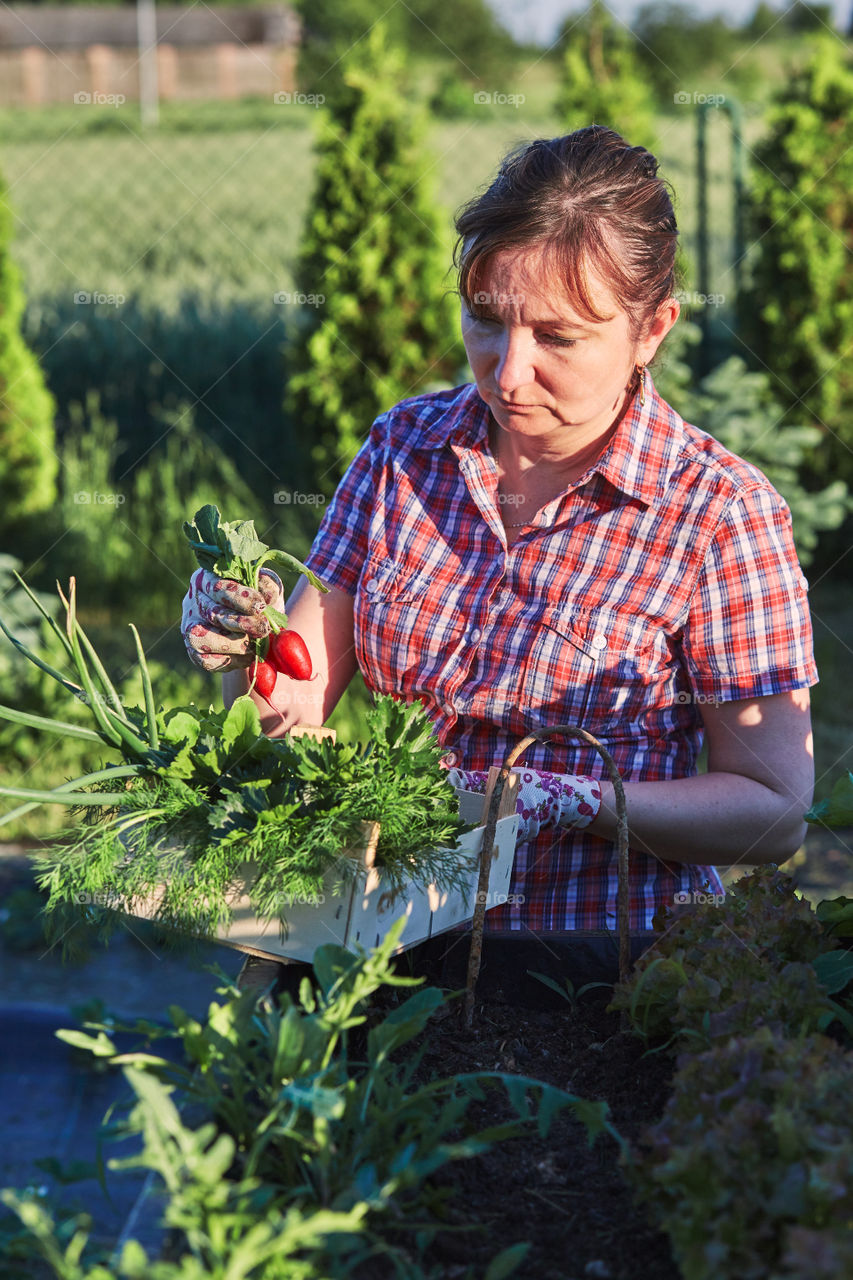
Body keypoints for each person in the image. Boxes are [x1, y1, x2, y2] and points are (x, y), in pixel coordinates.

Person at [181, 126, 817, 935]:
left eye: (557, 336)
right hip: (380, 937)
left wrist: (555, 798)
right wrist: (246, 646)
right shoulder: (404, 453)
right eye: (485, 319)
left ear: (651, 329)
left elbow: (770, 814)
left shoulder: (716, 511)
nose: (506, 372)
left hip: (598, 967)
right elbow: (289, 712)